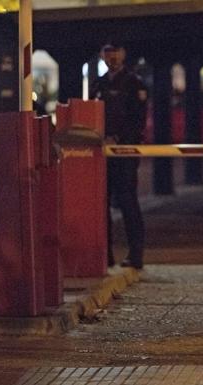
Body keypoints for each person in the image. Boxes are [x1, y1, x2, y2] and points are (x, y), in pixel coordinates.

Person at [90, 43, 147, 270]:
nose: (111, 56)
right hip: (101, 152)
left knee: (127, 202)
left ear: (123, 54)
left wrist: (120, 139)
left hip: (124, 151)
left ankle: (136, 254)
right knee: (101, 204)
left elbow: (139, 119)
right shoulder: (99, 83)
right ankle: (106, 256)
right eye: (107, 51)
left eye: (115, 51)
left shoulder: (134, 83)